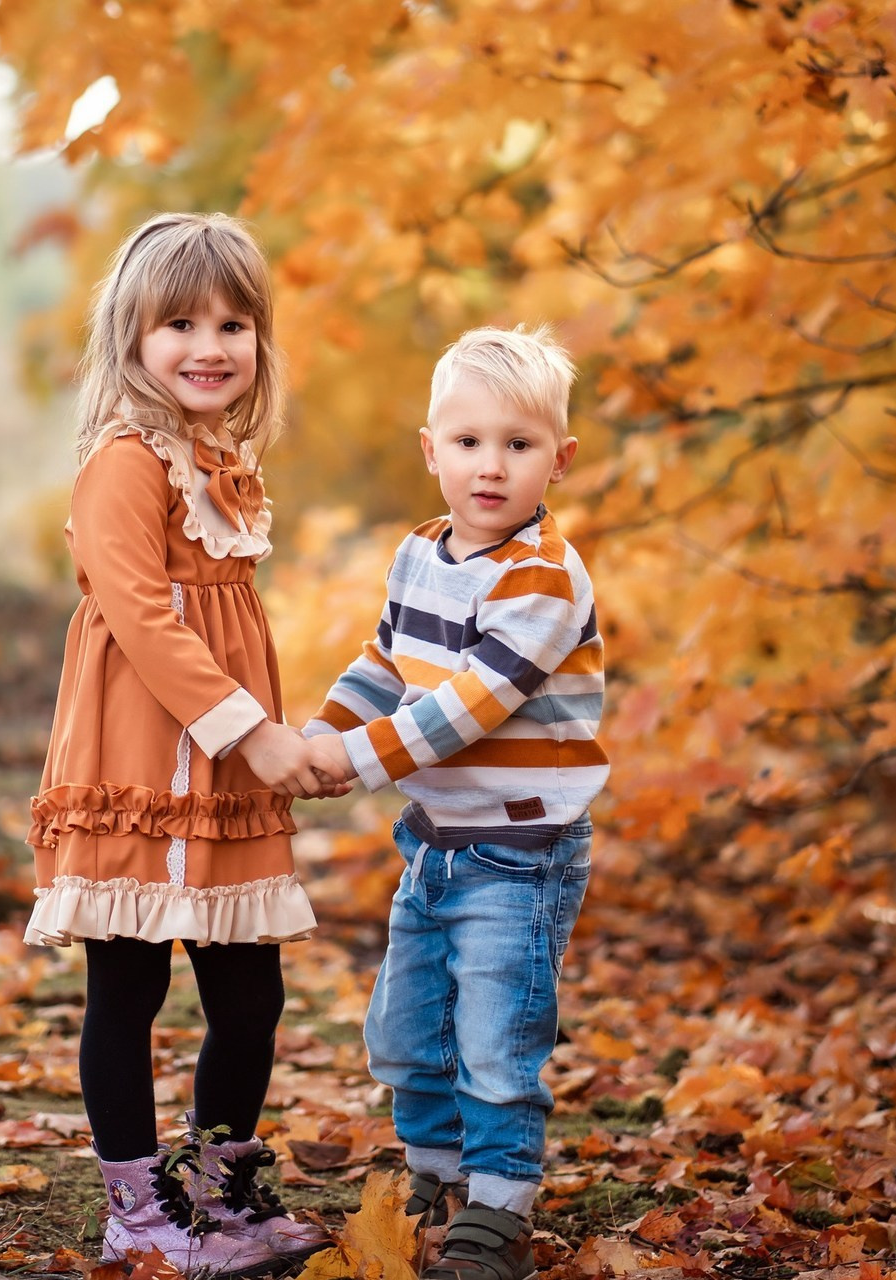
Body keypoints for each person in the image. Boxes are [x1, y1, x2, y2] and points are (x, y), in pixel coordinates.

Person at [24, 212, 344, 1277]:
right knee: (129, 984)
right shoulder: (125, 460)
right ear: (131, 338)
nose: (210, 346)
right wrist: (250, 732)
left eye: (233, 323)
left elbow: (226, 617)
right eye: (179, 323)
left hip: (223, 772)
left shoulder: (225, 458)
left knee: (249, 989)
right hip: (140, 758)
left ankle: (218, 1190)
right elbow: (140, 614)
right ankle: (135, 1207)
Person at [304, 325, 609, 1280]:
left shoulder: (544, 578)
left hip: (522, 852)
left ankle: (500, 1202)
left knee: (494, 1036)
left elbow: (468, 706)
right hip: (434, 840)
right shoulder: (419, 556)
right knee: (407, 1024)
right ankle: (435, 1168)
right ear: (430, 449)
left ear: (557, 460)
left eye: (519, 445)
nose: (491, 466)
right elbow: (387, 663)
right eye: (469, 442)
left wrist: (355, 761)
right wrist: (324, 734)